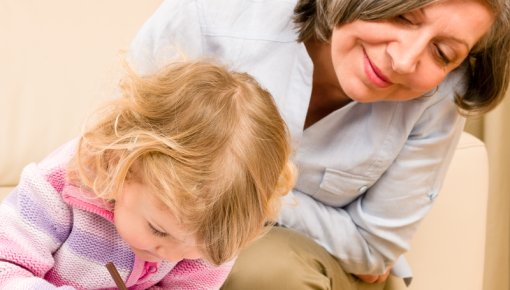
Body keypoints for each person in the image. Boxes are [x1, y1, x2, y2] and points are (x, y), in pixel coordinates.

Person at [128, 0, 510, 289]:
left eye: (442, 53)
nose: (404, 59)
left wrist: (240, 190)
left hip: (319, 275)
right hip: (166, 242)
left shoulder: (439, 96)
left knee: (264, 267)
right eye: (402, 16)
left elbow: (373, 248)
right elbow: (125, 157)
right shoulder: (214, 16)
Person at [0, 59, 295, 289]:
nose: (172, 255)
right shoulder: (59, 183)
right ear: (121, 165)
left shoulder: (209, 235)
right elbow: (6, 267)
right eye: (159, 230)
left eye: (200, 248)